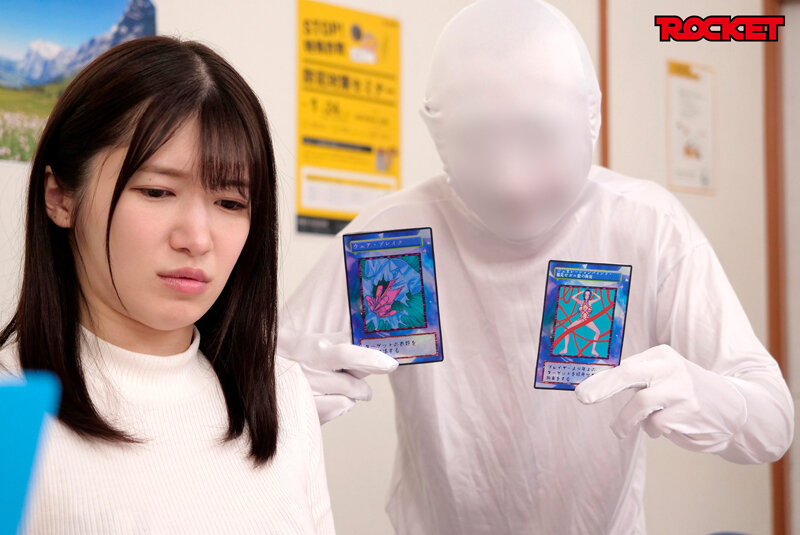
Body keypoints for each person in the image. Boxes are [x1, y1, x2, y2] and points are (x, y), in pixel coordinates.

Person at [278, 1, 794, 533]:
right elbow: (258, 371)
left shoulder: (644, 227)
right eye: (476, 143)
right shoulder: (395, 235)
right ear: (436, 131)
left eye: (541, 139)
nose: (512, 183)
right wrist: (275, 394)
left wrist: (713, 399)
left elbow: (774, 423)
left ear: (591, 117)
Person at [0, 36, 334, 534]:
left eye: (230, 203)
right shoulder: (12, 407)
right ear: (61, 197)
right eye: (157, 191)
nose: (196, 239)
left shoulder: (284, 395)